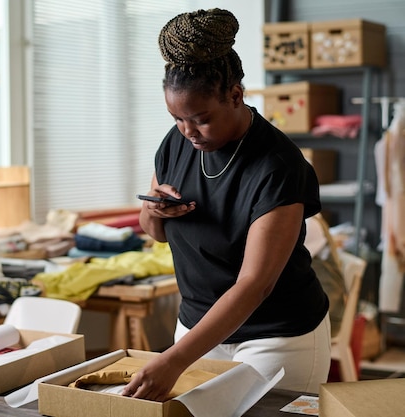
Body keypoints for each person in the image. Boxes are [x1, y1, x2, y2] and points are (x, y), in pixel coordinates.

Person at [122, 8, 331, 401]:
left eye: (200, 119)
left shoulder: (278, 165)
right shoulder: (175, 142)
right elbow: (157, 234)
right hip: (198, 328)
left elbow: (256, 284)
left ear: (235, 95)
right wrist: (153, 212)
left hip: (276, 337)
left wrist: (172, 359)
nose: (188, 132)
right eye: (177, 118)